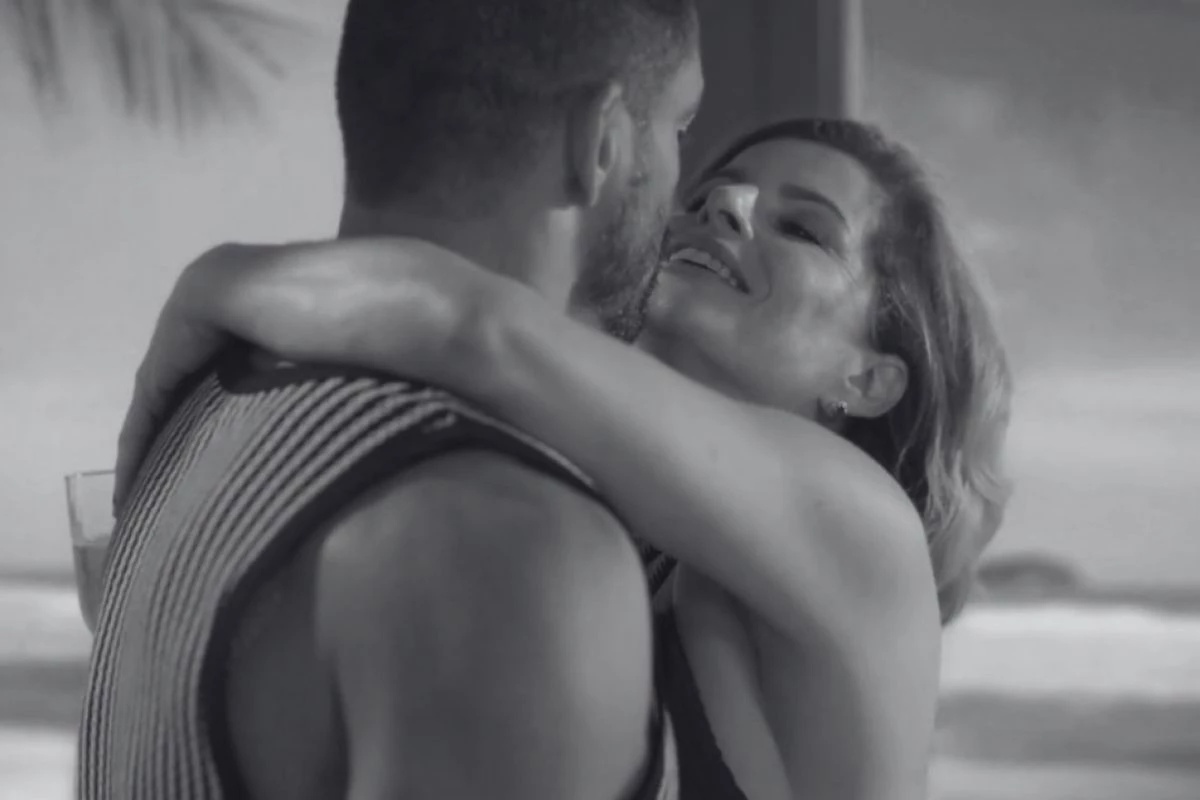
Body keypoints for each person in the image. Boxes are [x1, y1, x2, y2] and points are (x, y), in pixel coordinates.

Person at [114, 118, 1014, 800]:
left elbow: (478, 329)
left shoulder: (866, 532)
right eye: (710, 195)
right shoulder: (632, 545)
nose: (724, 209)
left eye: (804, 229)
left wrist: (213, 283)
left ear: (869, 380)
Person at [80, 1, 703, 799]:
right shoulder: (511, 552)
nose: (685, 181)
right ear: (603, 140)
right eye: (680, 126)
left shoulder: (203, 410)